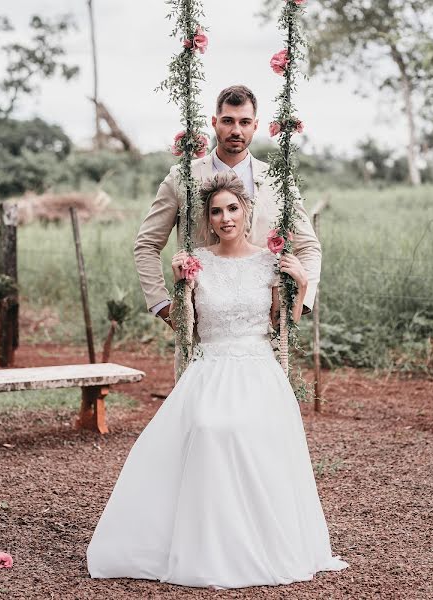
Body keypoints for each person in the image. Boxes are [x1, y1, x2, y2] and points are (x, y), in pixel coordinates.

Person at [87, 172, 349, 589]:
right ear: (207, 219)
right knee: (210, 429)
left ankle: (256, 540)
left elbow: (284, 322)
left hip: (257, 368)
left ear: (246, 213)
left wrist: (300, 283)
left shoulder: (268, 261)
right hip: (211, 367)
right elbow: (186, 327)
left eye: (232, 208)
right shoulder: (197, 263)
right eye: (216, 211)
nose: (225, 217)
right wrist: (178, 287)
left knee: (250, 438)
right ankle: (206, 541)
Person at [133, 85, 321, 336]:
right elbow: (147, 244)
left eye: (244, 122)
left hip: (264, 334)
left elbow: (308, 246)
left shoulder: (279, 180)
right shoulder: (182, 177)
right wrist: (163, 306)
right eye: (227, 121)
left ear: (255, 125)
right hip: (201, 334)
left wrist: (297, 303)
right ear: (214, 122)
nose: (236, 130)